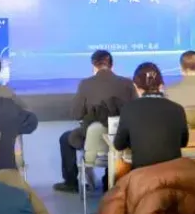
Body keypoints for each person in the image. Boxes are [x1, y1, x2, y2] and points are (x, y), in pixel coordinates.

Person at [53, 50, 137, 193]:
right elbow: (135, 111)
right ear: (112, 65)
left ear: (94, 66)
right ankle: (109, 179)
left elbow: (76, 114)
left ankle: (71, 182)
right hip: (121, 140)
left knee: (65, 138)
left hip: (93, 139)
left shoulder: (86, 84)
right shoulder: (127, 83)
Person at [114, 62, 189, 170]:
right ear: (161, 85)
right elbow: (183, 143)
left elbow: (119, 145)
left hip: (142, 176)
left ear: (136, 86)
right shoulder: (178, 109)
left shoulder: (129, 109)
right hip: (174, 175)